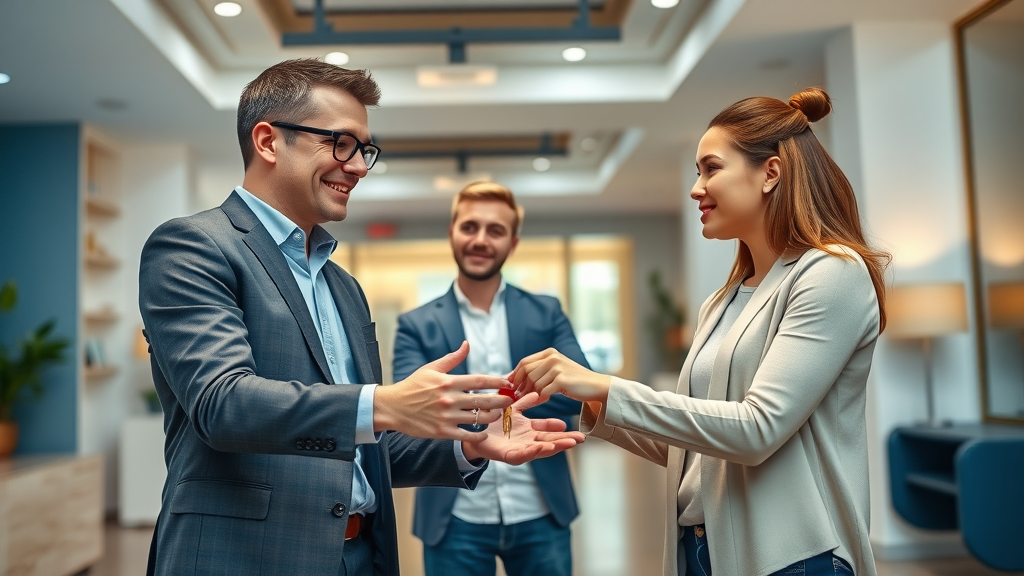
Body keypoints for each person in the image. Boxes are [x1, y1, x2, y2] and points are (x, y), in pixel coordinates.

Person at [138, 59, 584, 576]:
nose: (356, 166)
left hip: (359, 554)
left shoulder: (342, 286)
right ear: (267, 142)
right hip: (242, 556)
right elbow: (223, 403)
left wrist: (467, 447)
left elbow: (366, 441)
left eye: (363, 150)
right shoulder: (194, 246)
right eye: (340, 143)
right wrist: (385, 403)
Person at [511, 87, 890, 576]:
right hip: (703, 550)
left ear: (770, 173)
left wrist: (604, 383)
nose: (696, 187)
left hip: (794, 556)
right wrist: (594, 405)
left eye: (711, 168)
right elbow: (696, 449)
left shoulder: (832, 273)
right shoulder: (726, 297)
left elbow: (757, 430)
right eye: (697, 172)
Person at [393, 181, 588, 576]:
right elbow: (409, 415)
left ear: (512, 243)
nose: (480, 240)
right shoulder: (415, 325)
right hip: (453, 515)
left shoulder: (545, 312)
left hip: (540, 509)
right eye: (470, 227)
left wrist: (466, 404)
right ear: (452, 233)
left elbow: (579, 393)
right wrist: (510, 402)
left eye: (495, 230)